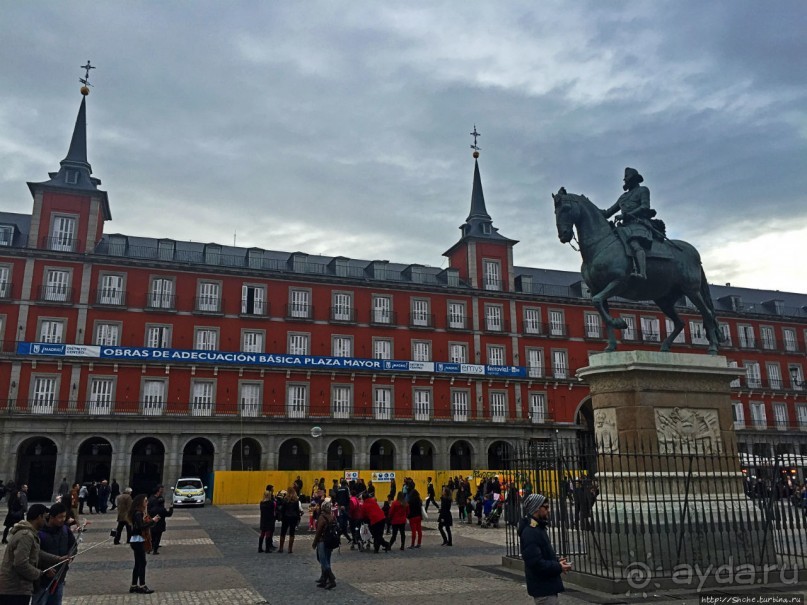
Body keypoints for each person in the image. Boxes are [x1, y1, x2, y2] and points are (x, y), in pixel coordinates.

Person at [0, 503, 67, 604]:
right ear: (39, 517)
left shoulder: (30, 533)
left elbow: (37, 552)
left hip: (19, 588)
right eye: (45, 517)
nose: (46, 520)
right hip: (14, 589)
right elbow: (20, 563)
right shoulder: (26, 535)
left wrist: (57, 559)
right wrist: (39, 573)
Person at [602, 167, 654, 280]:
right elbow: (607, 213)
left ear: (634, 180)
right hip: (625, 227)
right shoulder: (623, 197)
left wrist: (626, 215)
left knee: (634, 243)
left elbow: (645, 206)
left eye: (627, 178)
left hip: (639, 224)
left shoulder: (643, 190)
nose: (625, 181)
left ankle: (642, 273)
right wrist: (591, 207)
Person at [518, 493, 571, 605]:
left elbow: (541, 556)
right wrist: (558, 566)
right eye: (546, 507)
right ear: (537, 509)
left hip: (547, 587)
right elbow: (536, 563)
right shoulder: (531, 532)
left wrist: (557, 562)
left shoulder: (538, 528)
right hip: (543, 589)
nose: (549, 510)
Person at [33, 502, 76, 605]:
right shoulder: (40, 533)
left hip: (59, 577)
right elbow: (35, 554)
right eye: (60, 517)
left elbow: (73, 546)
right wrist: (44, 568)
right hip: (42, 580)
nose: (63, 519)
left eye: (64, 517)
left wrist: (70, 556)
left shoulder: (65, 530)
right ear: (51, 517)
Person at [127, 494, 157, 594]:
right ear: (141, 502)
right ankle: (142, 585)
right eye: (145, 501)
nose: (146, 503)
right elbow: (141, 526)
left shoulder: (138, 513)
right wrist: (152, 521)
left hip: (136, 539)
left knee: (137, 563)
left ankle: (134, 585)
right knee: (142, 563)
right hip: (138, 540)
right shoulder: (138, 513)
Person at [311, 501, 337, 590]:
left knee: (322, 560)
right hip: (330, 541)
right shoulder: (332, 516)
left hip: (322, 541)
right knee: (327, 559)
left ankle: (331, 578)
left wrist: (314, 543)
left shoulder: (322, 517)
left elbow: (318, 532)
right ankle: (324, 578)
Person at [146, 485, 173, 555]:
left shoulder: (154, 506)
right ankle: (154, 549)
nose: (162, 491)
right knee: (157, 537)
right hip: (159, 523)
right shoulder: (153, 500)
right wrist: (171, 508)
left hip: (153, 522)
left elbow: (149, 511)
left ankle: (150, 548)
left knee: (152, 536)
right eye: (161, 489)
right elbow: (168, 514)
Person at [277, 487, 301, 553]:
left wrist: (281, 517)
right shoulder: (296, 501)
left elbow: (283, 510)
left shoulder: (285, 500)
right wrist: (298, 518)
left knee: (283, 532)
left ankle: (281, 548)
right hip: (293, 517)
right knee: (292, 533)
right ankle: (290, 549)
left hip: (286, 517)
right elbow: (297, 510)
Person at [258, 487, 276, 553]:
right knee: (268, 534)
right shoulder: (271, 503)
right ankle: (267, 549)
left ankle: (259, 548)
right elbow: (273, 511)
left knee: (262, 534)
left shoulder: (261, 503)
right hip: (269, 519)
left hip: (263, 519)